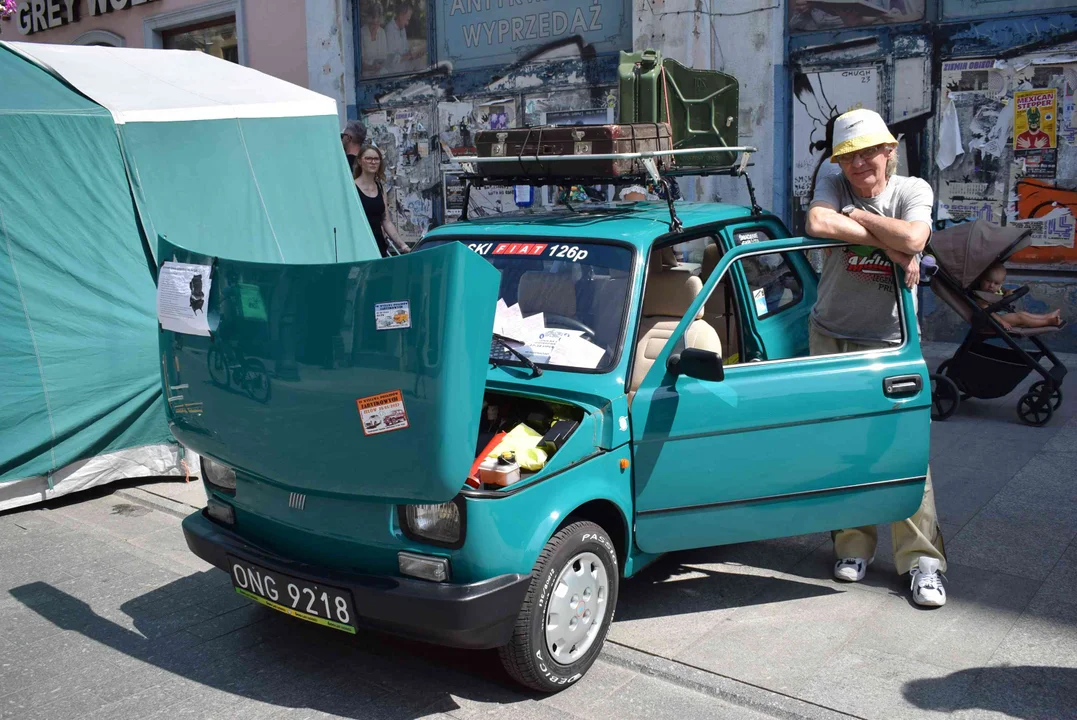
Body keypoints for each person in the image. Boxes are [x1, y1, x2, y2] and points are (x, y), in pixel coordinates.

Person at [805, 108, 948, 608]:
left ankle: (923, 562)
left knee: (904, 449)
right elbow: (817, 221)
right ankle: (853, 545)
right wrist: (891, 247)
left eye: (870, 151)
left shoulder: (913, 190)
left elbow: (914, 238)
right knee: (844, 445)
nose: (861, 163)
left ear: (889, 151)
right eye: (850, 155)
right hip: (830, 333)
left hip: (891, 340)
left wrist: (862, 218)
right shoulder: (831, 177)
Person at [354, 145, 409, 257]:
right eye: (368, 158)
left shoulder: (380, 187)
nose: (373, 162)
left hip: (378, 243)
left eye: (376, 159)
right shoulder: (352, 187)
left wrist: (403, 245)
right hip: (359, 244)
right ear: (360, 161)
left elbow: (386, 220)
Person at [976, 262, 1065, 330]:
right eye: (988, 281)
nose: (991, 286)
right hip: (992, 320)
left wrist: (1010, 293)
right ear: (981, 279)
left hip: (1002, 314)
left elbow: (1004, 293)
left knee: (1022, 314)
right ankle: (1049, 322)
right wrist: (1001, 321)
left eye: (996, 283)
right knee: (1021, 317)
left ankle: (1047, 316)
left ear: (1000, 284)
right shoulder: (980, 296)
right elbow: (988, 312)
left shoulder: (998, 290)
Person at [360, 2, 389, 76]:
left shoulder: (382, 32)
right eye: (373, 23)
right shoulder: (362, 33)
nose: (376, 27)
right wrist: (371, 67)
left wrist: (380, 65)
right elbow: (360, 63)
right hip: (366, 74)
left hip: (380, 72)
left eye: (378, 23)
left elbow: (385, 57)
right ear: (368, 20)